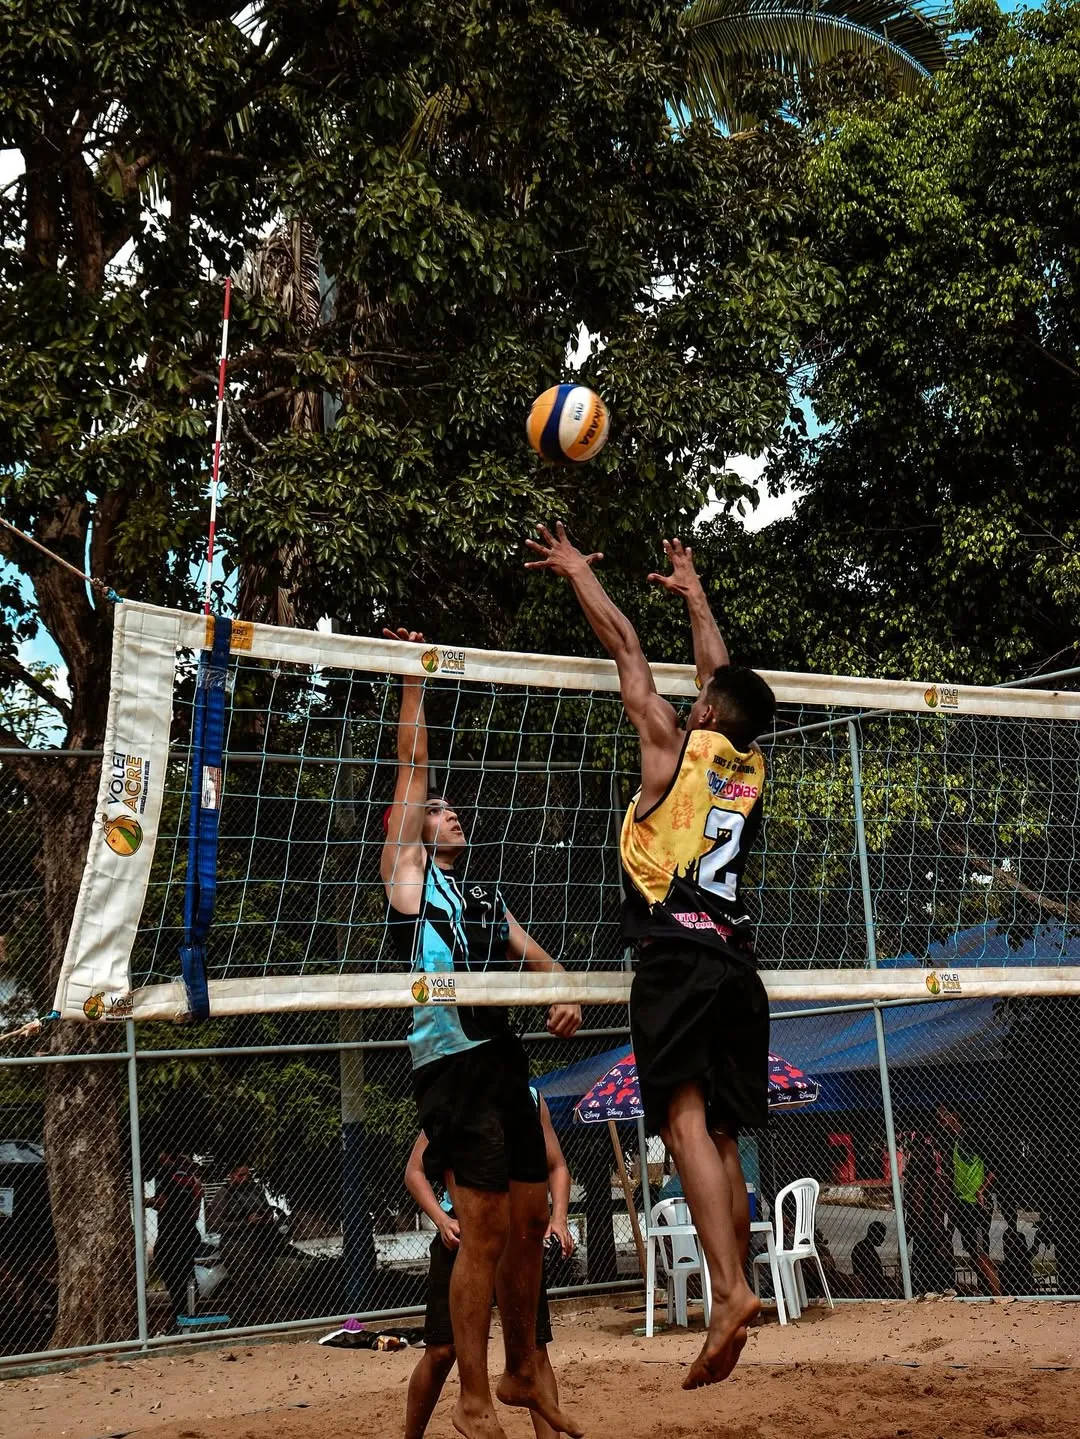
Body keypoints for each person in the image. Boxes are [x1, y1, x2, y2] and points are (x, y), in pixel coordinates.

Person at [526, 524, 775, 1389]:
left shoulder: (669, 743)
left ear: (704, 712)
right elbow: (723, 676)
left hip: (677, 955)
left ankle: (731, 1292)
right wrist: (696, 593)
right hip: (739, 963)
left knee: (678, 1123)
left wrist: (575, 572)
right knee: (722, 1135)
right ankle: (735, 1290)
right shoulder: (747, 762)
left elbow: (626, 645)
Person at [380, 627, 582, 1439]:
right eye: (438, 810)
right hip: (447, 1058)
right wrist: (412, 676)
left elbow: (543, 961)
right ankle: (470, 1394)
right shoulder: (406, 874)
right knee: (487, 1225)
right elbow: (412, 769)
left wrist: (563, 994)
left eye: (453, 808)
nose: (449, 811)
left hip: (501, 1053)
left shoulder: (484, 897)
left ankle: (522, 1367)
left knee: (531, 1219)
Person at [403, 1088, 574, 1439]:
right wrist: (440, 1219)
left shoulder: (528, 1097)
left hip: (517, 1237)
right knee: (441, 1351)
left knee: (533, 1348)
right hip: (465, 1235)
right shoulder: (458, 1085)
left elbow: (556, 1166)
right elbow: (414, 1171)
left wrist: (558, 1217)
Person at [937, 1104, 1001, 1295]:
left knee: (980, 1254)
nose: (940, 1121)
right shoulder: (955, 1140)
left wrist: (982, 1190)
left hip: (975, 1203)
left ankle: (999, 1295)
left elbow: (994, 1166)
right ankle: (986, 1293)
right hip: (961, 1202)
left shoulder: (971, 1136)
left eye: (943, 1116)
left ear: (955, 1115)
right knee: (973, 1254)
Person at [207, 1164, 281, 1327]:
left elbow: (266, 1210)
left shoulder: (255, 1190)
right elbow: (216, 1224)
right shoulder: (224, 1193)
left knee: (270, 1282)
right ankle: (242, 1323)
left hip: (260, 1242)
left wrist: (267, 1219)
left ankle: (276, 1321)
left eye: (247, 1175)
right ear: (231, 1176)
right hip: (236, 1244)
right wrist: (245, 1223)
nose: (245, 1179)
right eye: (240, 1175)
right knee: (244, 1284)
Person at [146, 1150, 202, 1327]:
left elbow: (161, 1202)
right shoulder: (191, 1179)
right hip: (188, 1230)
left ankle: (182, 1314)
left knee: (170, 1268)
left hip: (171, 1232)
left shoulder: (165, 1174)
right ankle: (189, 1311)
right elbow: (197, 1203)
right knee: (186, 1273)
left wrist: (143, 1202)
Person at [850, 1220, 888, 1296]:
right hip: (868, 1286)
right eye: (882, 1236)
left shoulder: (865, 1247)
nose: (883, 1239)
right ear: (876, 1234)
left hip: (871, 1284)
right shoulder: (864, 1249)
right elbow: (869, 1273)